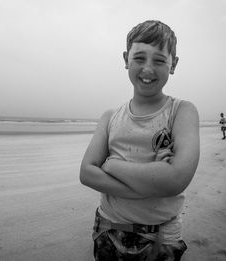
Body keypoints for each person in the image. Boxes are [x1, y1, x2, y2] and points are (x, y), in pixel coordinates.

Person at [80, 20, 200, 261]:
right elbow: (86, 173)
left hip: (160, 236)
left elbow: (175, 180)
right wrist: (149, 181)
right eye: (139, 58)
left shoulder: (181, 112)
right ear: (126, 59)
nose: (148, 68)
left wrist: (111, 165)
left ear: (173, 64)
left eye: (159, 60)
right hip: (108, 228)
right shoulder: (110, 117)